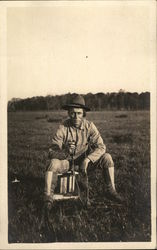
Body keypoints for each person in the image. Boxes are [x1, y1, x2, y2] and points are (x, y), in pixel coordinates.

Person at [44, 94, 123, 210]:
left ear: (84, 113)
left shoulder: (90, 126)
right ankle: (47, 199)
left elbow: (101, 147)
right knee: (53, 163)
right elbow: (52, 151)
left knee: (107, 157)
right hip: (67, 163)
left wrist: (88, 159)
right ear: (68, 113)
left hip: (85, 164)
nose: (76, 117)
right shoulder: (63, 127)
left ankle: (111, 191)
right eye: (72, 113)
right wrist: (65, 151)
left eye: (79, 113)